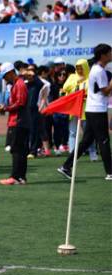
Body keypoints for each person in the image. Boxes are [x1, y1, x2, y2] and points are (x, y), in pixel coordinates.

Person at [58, 43, 112, 181]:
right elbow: (105, 91)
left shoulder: (96, 69)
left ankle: (66, 166)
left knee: (87, 141)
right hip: (97, 110)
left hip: (92, 109)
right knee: (104, 140)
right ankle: (110, 172)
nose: (111, 55)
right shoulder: (99, 71)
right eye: (109, 53)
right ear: (103, 55)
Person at [0, 62, 29, 185]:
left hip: (19, 121)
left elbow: (20, 103)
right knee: (20, 150)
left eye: (5, 76)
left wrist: (5, 108)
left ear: (11, 73)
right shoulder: (17, 84)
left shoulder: (19, 84)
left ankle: (15, 177)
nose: (4, 79)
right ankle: (21, 177)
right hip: (20, 121)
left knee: (16, 150)